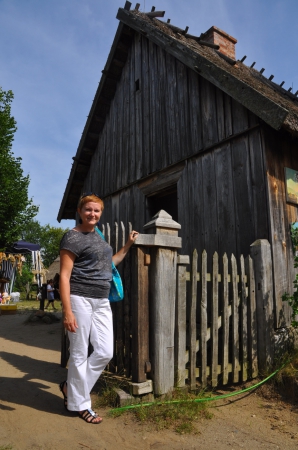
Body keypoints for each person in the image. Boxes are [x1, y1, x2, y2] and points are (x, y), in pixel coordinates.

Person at [59, 193, 138, 424]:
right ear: (79, 211)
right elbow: (64, 276)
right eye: (88, 210)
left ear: (100, 213)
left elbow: (108, 266)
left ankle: (70, 389)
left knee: (104, 351)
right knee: (80, 352)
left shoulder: (99, 238)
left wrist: (128, 245)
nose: (92, 214)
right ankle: (81, 405)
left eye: (96, 211)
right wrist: (67, 311)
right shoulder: (72, 238)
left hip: (102, 300)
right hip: (79, 299)